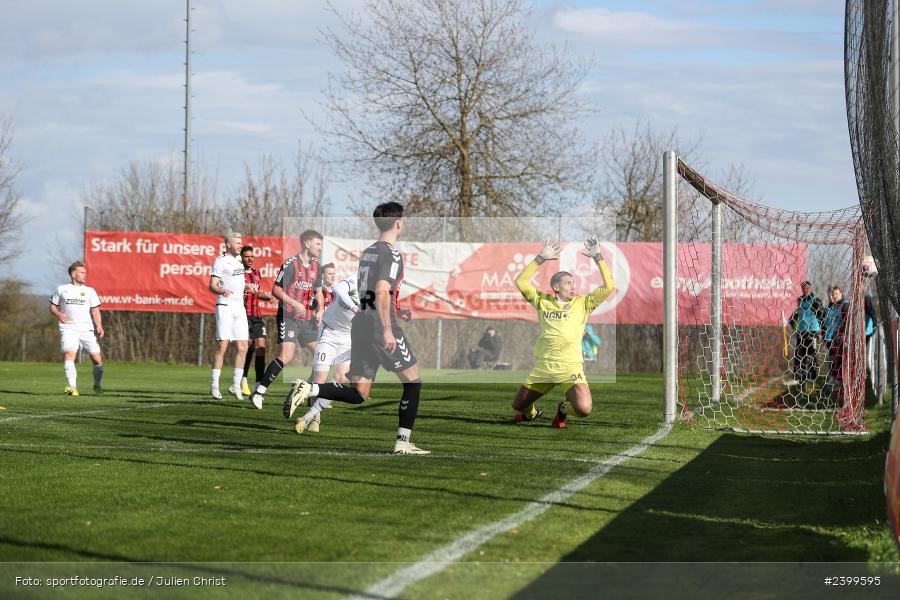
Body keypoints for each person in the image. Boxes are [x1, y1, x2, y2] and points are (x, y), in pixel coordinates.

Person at [285, 202, 429, 455]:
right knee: (413, 381)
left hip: (361, 323)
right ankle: (403, 442)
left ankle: (309, 389)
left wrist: (396, 309)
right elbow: (381, 291)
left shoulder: (369, 252)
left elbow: (371, 294)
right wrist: (387, 328)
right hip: (378, 326)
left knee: (360, 392)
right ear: (398, 223)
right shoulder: (392, 254)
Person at [511, 238, 615, 428]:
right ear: (556, 287)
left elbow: (609, 287)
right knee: (518, 405)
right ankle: (531, 414)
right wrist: (540, 259)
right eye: (568, 283)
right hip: (545, 367)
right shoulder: (542, 301)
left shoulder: (583, 303)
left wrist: (598, 257)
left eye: (573, 283)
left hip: (571, 368)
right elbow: (521, 281)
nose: (573, 286)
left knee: (584, 409)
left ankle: (563, 408)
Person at [248, 229, 323, 409]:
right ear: (307, 244)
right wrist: (295, 304)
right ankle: (259, 392)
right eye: (318, 244)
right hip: (288, 316)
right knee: (286, 355)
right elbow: (276, 290)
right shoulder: (291, 264)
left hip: (306, 319)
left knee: (321, 356)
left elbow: (319, 292)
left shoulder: (316, 267)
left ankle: (307, 391)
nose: (320, 248)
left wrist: (320, 310)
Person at [297, 272, 360, 433]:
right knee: (320, 380)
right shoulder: (358, 278)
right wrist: (354, 308)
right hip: (329, 332)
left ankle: (310, 417)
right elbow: (338, 288)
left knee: (341, 379)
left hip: (348, 337)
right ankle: (313, 416)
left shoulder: (380, 292)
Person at [49, 261, 105, 396]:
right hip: (68, 328)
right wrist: (58, 314)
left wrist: (99, 325)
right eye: (82, 272)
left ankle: (97, 385)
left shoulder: (90, 291)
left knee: (97, 360)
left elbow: (95, 311)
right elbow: (52, 307)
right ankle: (71, 387)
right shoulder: (62, 289)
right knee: (69, 354)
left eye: (85, 273)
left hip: (86, 329)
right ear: (73, 274)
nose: (85, 275)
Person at [209, 232, 249, 400]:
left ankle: (235, 385)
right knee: (222, 346)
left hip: (239, 308)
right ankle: (214, 386)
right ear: (228, 244)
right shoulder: (220, 261)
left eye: (241, 242)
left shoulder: (238, 261)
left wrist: (248, 288)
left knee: (243, 347)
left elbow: (238, 283)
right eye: (237, 243)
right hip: (225, 306)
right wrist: (221, 290)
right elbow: (212, 285)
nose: (241, 245)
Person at [239, 245, 273, 396]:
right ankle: (243, 379)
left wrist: (268, 296)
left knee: (261, 346)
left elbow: (256, 293)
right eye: (246, 256)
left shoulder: (256, 273)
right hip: (242, 314)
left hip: (256, 315)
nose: (250, 259)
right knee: (248, 345)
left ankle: (259, 385)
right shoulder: (237, 273)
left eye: (251, 256)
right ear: (241, 257)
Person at [788, 280, 825, 385]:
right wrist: (793, 323)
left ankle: (812, 377)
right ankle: (797, 377)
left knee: (811, 354)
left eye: (808, 287)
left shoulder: (816, 300)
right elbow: (796, 314)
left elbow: (822, 316)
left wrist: (821, 332)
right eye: (804, 288)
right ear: (802, 289)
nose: (806, 289)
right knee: (799, 355)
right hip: (801, 331)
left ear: (811, 288)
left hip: (813, 331)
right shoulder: (800, 300)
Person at [824, 286, 849, 389]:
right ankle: (834, 377)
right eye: (832, 294)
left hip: (840, 337)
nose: (834, 296)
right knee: (833, 358)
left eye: (836, 294)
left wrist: (842, 334)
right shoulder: (831, 308)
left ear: (841, 293)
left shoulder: (845, 306)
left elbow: (847, 321)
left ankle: (839, 380)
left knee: (839, 359)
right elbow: (826, 323)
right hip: (831, 337)